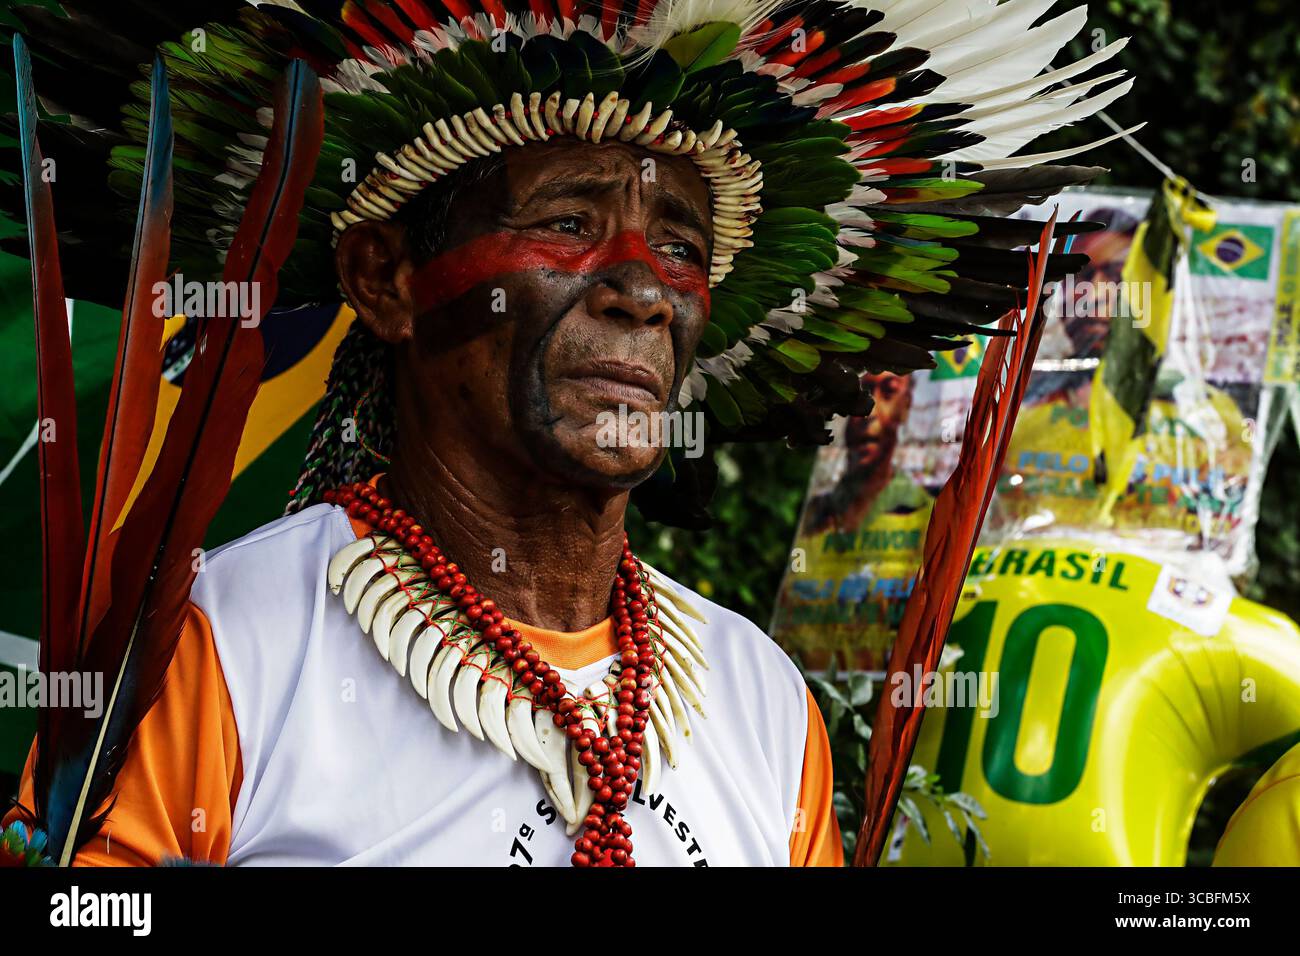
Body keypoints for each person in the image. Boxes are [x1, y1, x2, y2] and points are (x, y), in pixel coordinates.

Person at [2, 0, 1129, 867]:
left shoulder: (760, 699)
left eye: (682, 249)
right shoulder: (217, 648)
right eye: (569, 223)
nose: (641, 287)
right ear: (385, 280)